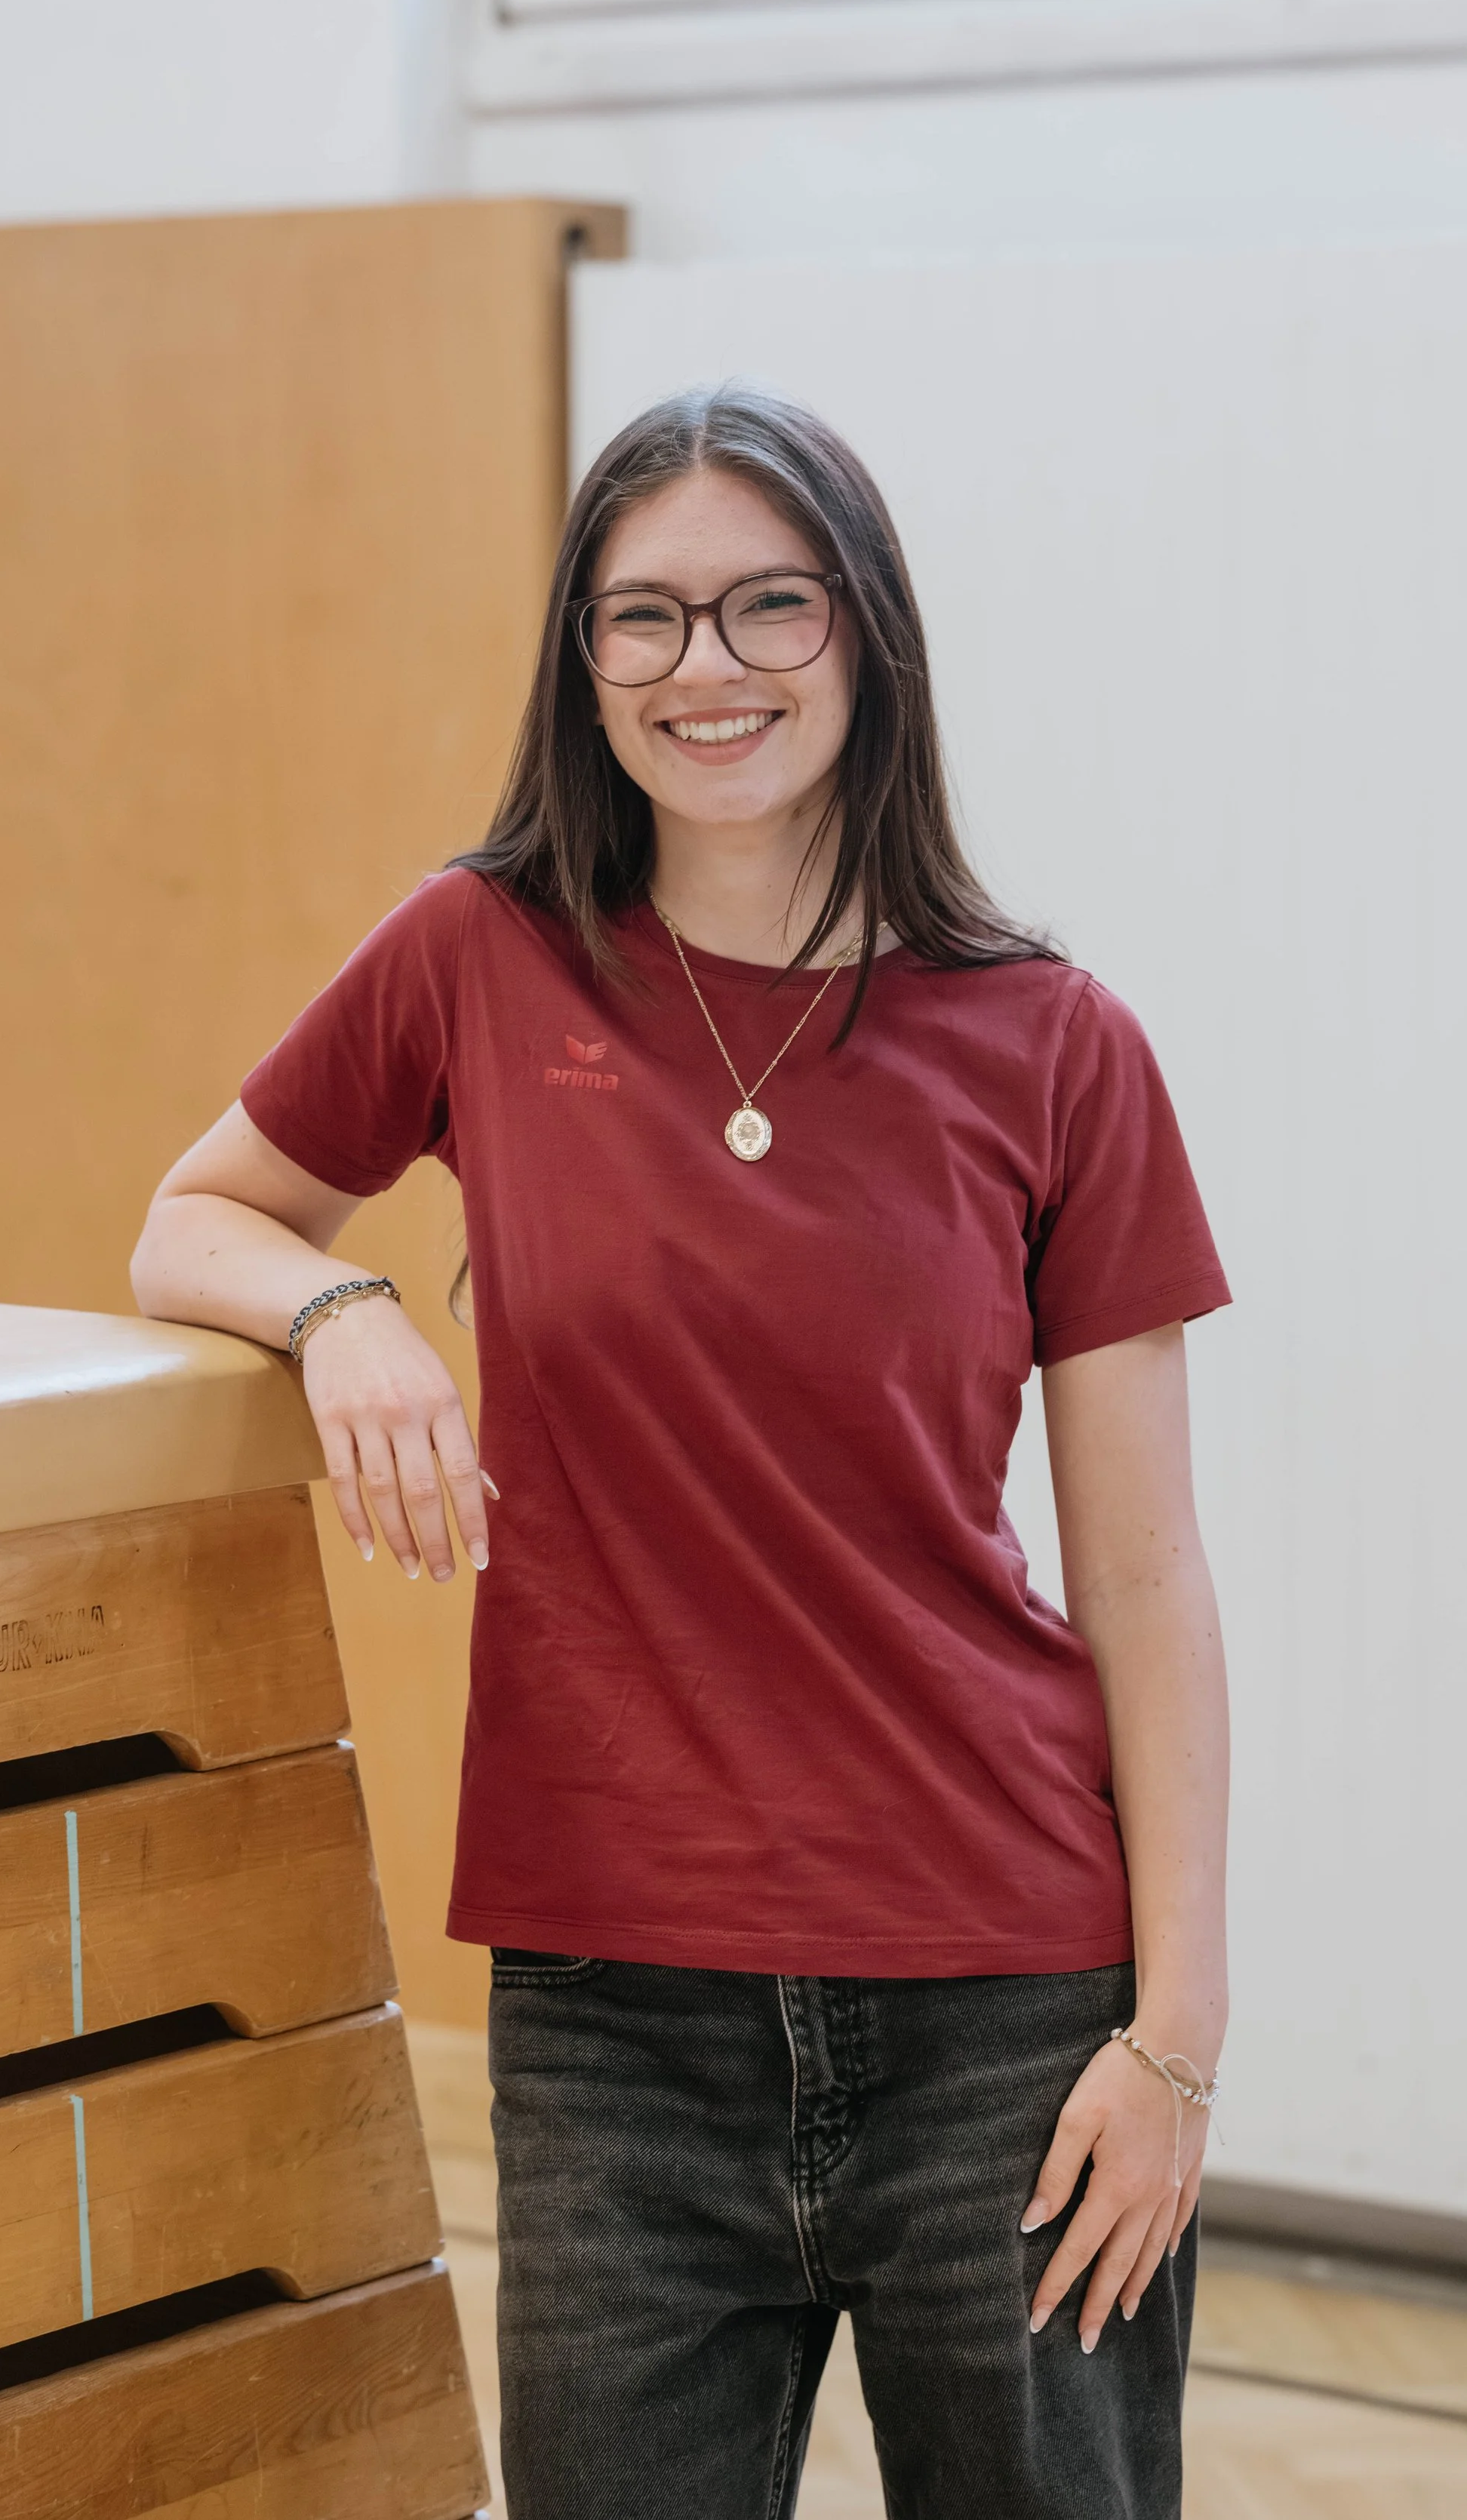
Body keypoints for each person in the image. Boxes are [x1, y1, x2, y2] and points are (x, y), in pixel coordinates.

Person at [131, 383, 1231, 2520]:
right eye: (639, 616)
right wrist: (345, 1308)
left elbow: (1147, 1574)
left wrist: (1171, 2034)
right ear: (582, 660)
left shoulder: (1050, 1040)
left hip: (1003, 1998)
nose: (701, 667)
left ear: (864, 640)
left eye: (763, 606)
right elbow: (198, 1211)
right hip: (612, 2001)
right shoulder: (475, 952)